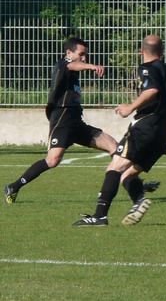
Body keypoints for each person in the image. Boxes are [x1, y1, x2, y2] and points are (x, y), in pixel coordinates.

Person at [73, 35, 166, 226]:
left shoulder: (147, 68)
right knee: (127, 175)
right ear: (162, 52)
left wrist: (131, 107)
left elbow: (151, 91)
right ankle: (139, 200)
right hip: (162, 134)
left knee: (114, 168)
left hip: (144, 129)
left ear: (142, 52)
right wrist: (161, 118)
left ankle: (99, 216)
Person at [5, 37, 120, 204]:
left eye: (86, 55)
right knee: (53, 160)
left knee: (114, 147)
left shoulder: (72, 73)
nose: (84, 58)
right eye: (81, 54)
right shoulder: (62, 64)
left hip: (77, 122)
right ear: (69, 53)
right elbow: (72, 65)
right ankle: (14, 186)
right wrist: (91, 66)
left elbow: (75, 66)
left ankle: (134, 186)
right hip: (62, 120)